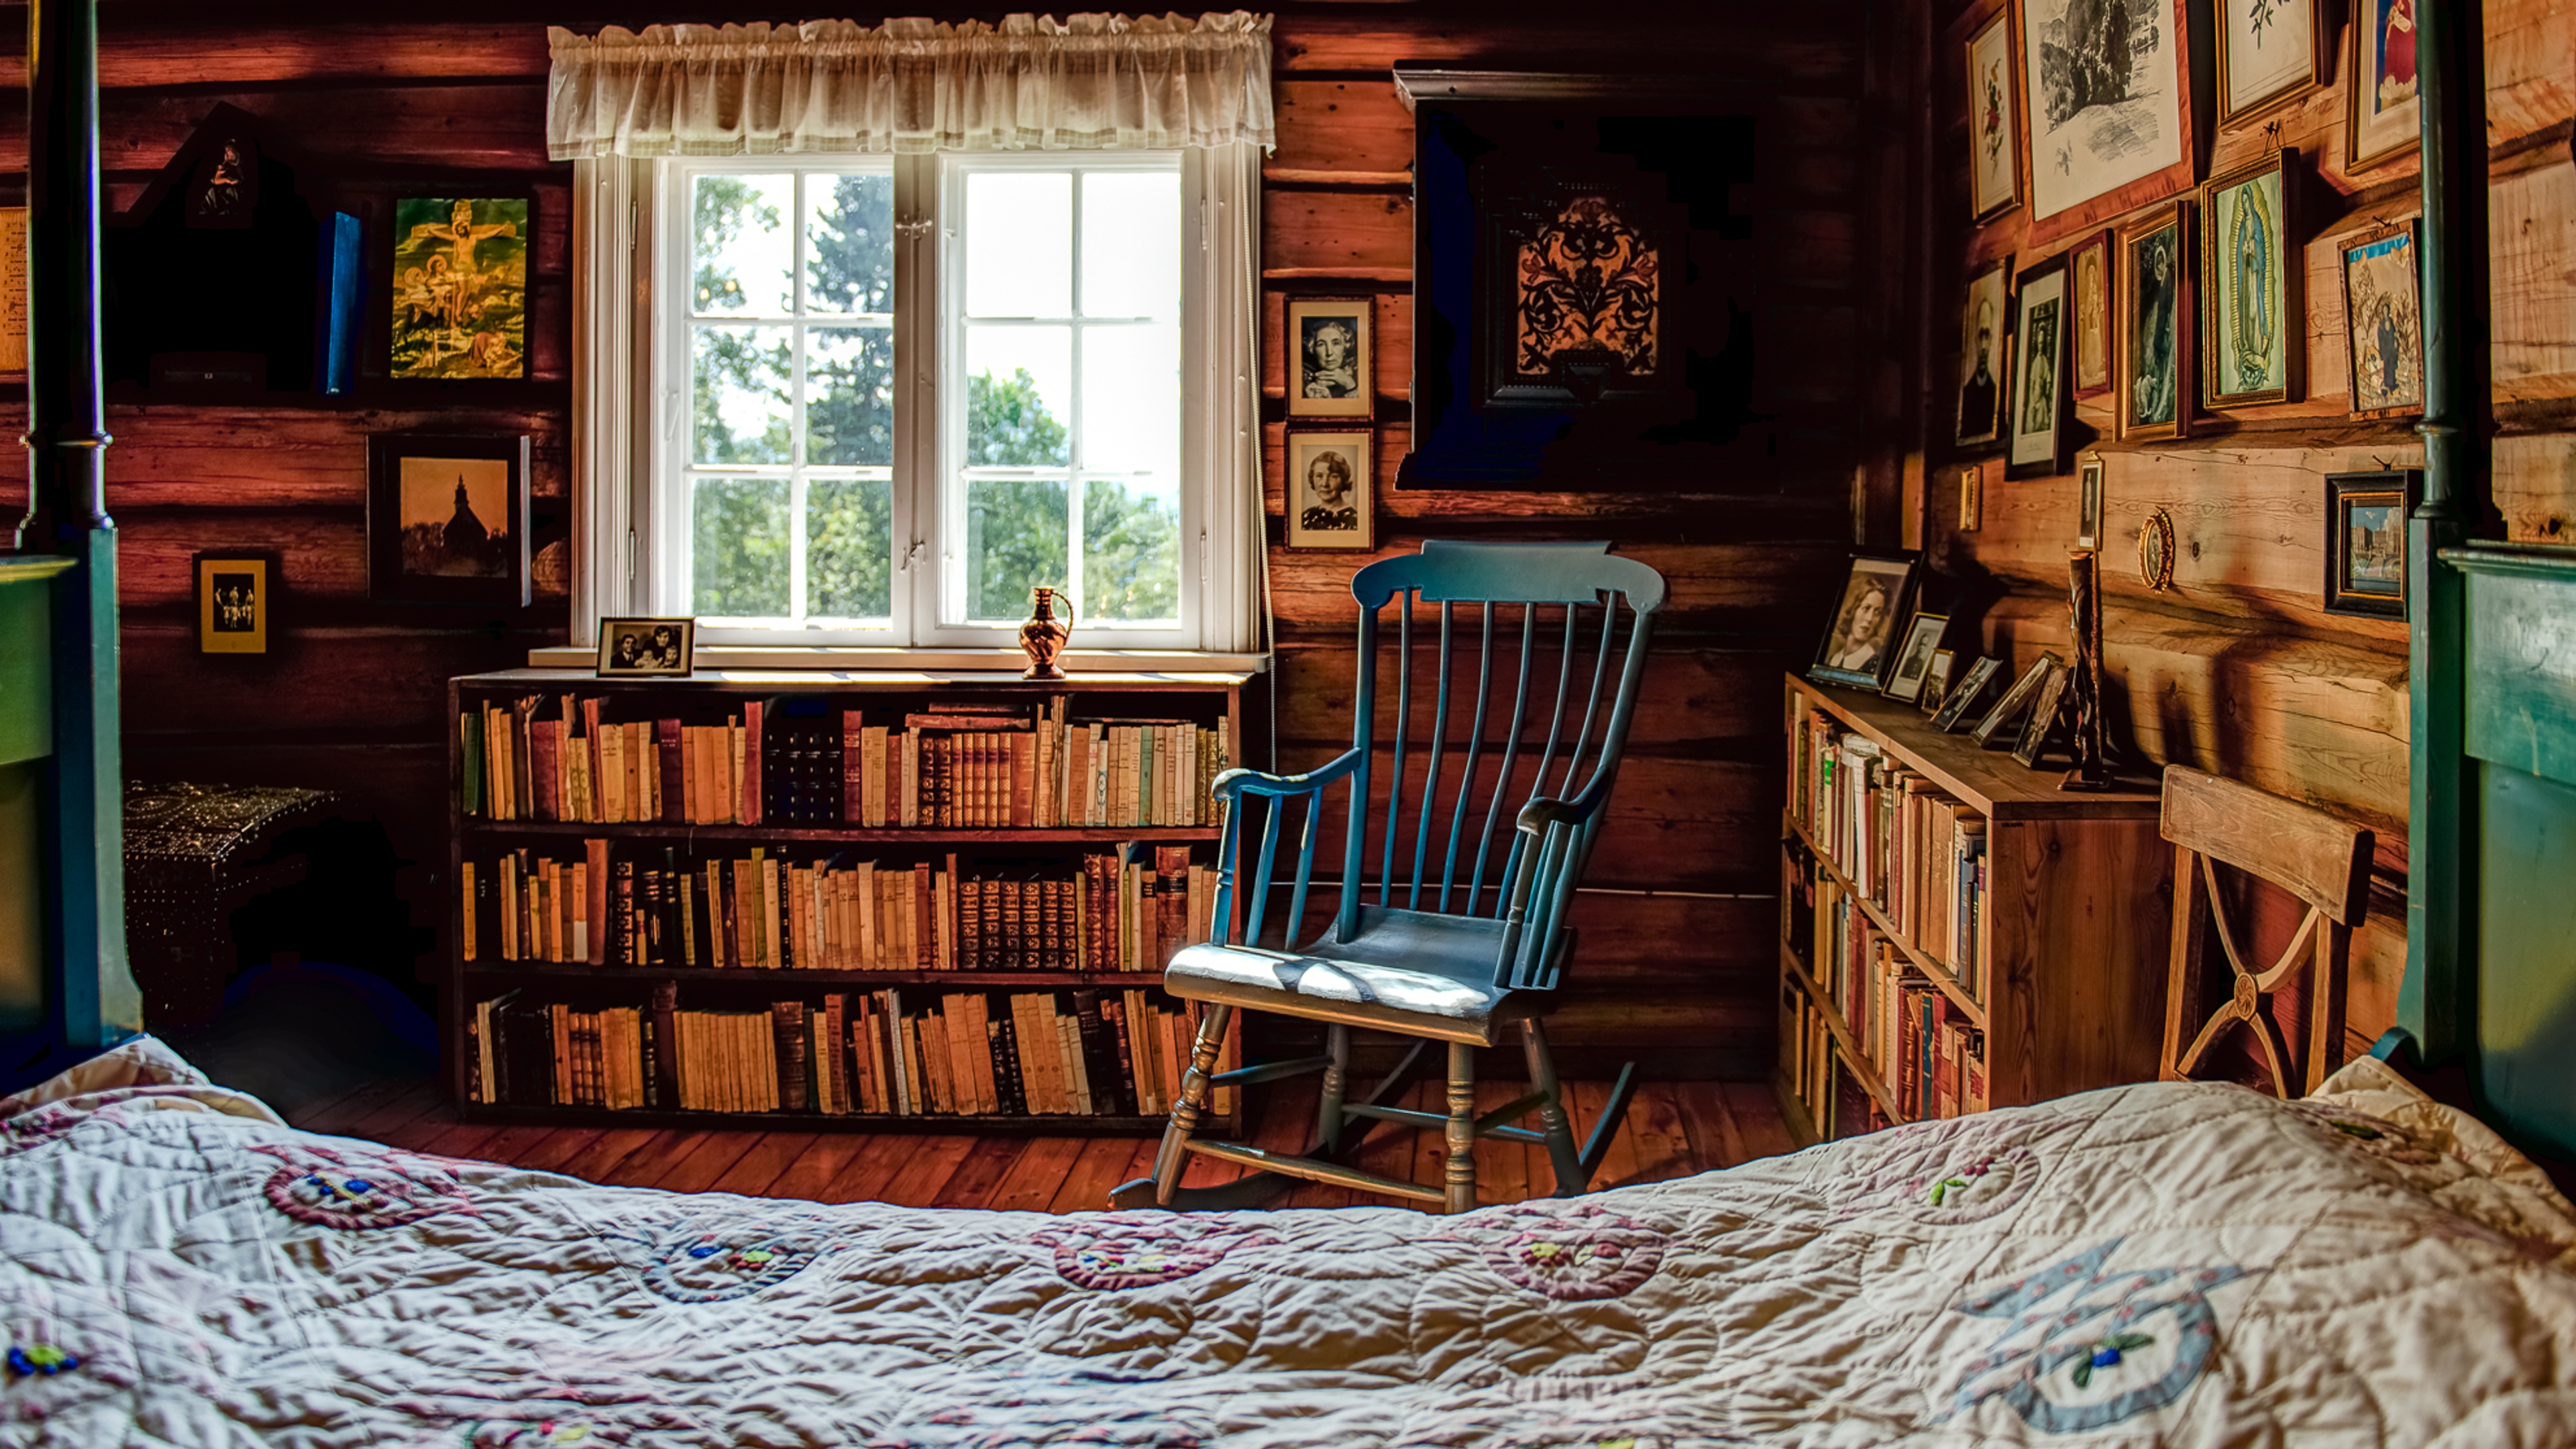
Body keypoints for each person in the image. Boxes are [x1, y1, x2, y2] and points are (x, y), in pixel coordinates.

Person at [1826, 581, 1890, 674]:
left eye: (1877, 613)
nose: (1870, 618)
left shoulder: (1874, 666)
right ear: (1853, 609)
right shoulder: (1834, 659)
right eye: (1866, 608)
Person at [1959, 298, 2000, 437]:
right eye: (1981, 335)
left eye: (1987, 336)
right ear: (1975, 339)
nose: (1983, 346)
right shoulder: (1967, 393)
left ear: (1992, 339)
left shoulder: (1994, 392)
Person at [1299, 451, 1358, 531]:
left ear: (1344, 480)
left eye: (1333, 477)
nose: (1325, 484)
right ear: (1312, 478)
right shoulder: (1306, 517)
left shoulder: (1355, 519)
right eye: (1319, 476)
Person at [1303, 319, 1360, 399]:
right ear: (1312, 349)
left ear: (1345, 347)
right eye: (1321, 344)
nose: (1329, 353)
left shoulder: (1360, 373)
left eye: (1336, 343)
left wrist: (1350, 385)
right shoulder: (1303, 380)